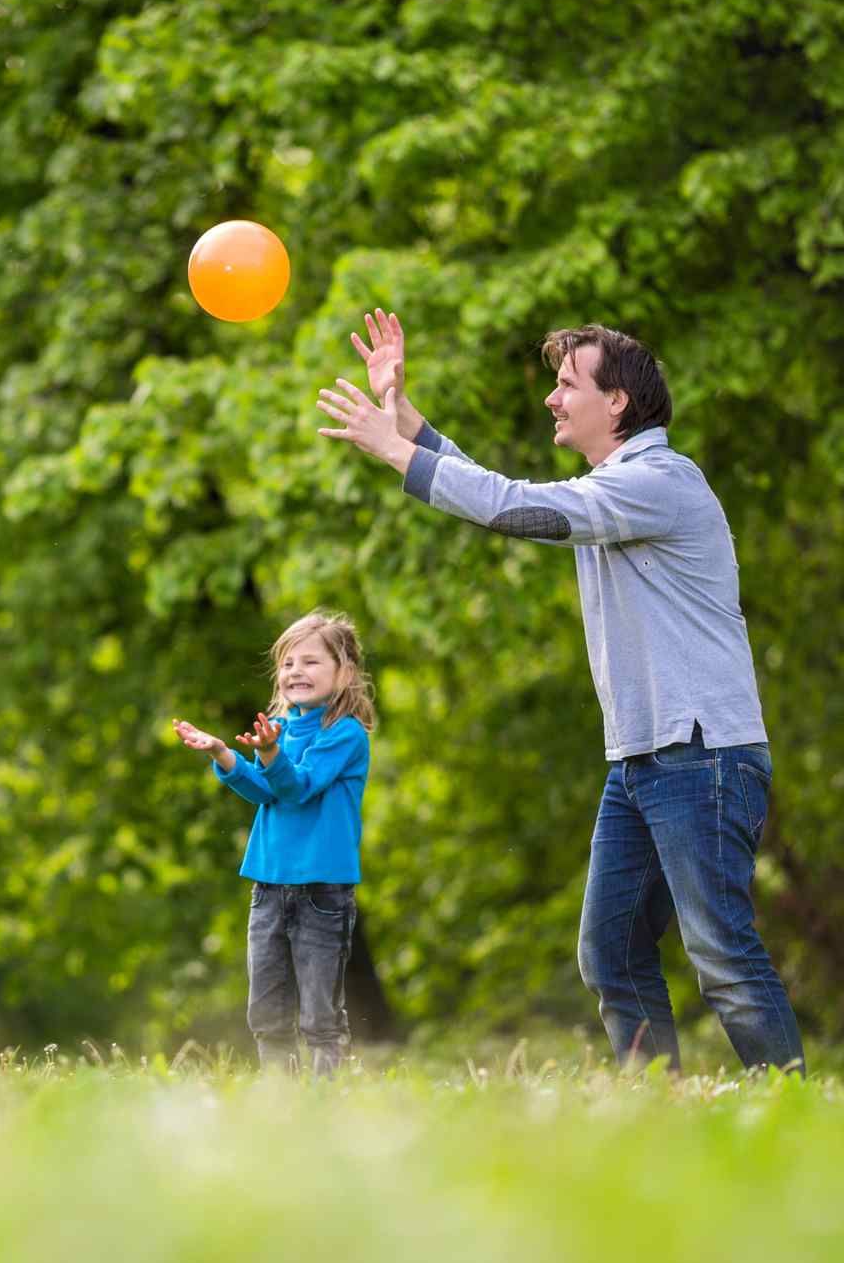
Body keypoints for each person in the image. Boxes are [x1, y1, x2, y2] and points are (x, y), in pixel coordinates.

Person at [315, 310, 803, 1074]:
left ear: (617, 403)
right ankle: (657, 1111)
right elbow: (506, 492)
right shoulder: (614, 486)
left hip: (700, 756)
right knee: (609, 954)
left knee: (721, 958)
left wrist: (395, 451)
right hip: (643, 760)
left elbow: (519, 509)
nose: (551, 398)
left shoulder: (658, 483)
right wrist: (401, 414)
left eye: (566, 384)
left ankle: (790, 1110)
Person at [174, 611, 375, 1076]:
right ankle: (279, 1097)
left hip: (323, 891)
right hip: (268, 887)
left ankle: (325, 1095)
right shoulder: (280, 731)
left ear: (344, 673)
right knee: (266, 1009)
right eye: (287, 664)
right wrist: (224, 754)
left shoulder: (344, 734)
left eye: (310, 662)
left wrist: (268, 753)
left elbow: (298, 787)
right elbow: (267, 792)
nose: (295, 672)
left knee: (319, 1014)